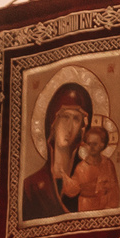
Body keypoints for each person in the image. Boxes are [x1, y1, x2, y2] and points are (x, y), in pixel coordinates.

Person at [21, 83, 103, 221]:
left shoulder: (90, 179)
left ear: (83, 128)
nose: (69, 127)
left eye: (76, 119)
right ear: (52, 121)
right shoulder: (31, 187)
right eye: (65, 117)